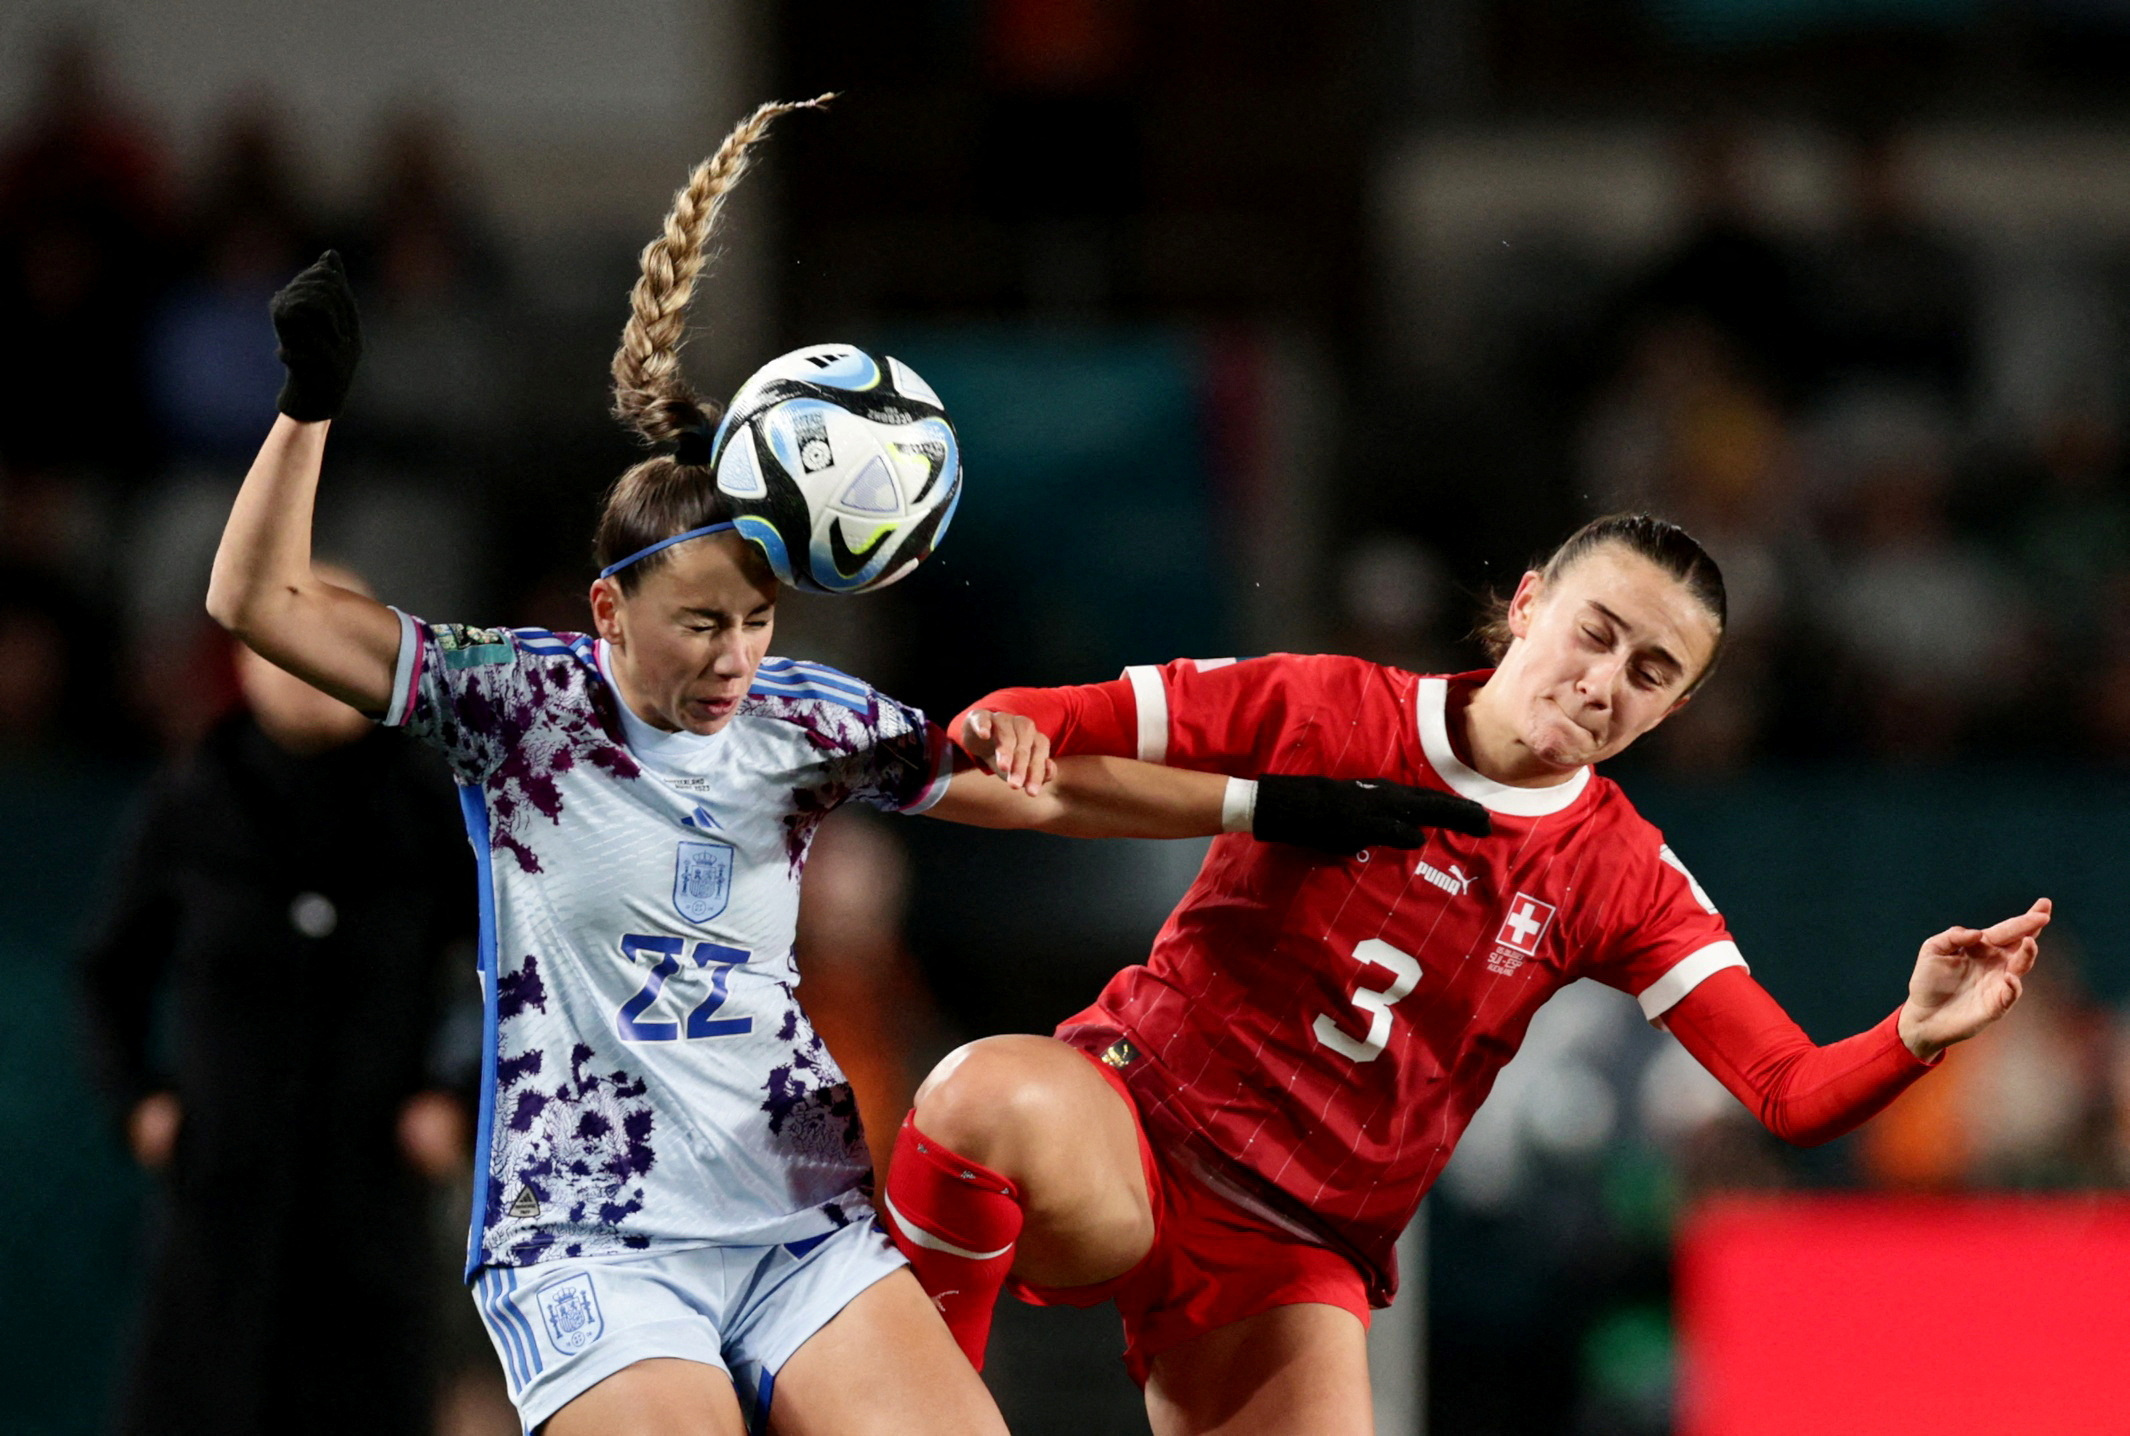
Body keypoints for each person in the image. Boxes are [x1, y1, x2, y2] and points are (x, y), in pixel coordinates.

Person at [204, 98, 1484, 1436]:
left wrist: (1269, 804)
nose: (734, 655)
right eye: (701, 621)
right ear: (607, 611)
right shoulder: (516, 703)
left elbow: (1040, 789)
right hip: (591, 1237)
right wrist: (307, 411)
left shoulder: (805, 719)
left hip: (795, 1219)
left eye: (757, 621)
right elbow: (264, 605)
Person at [881, 512, 2052, 1436]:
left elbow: (1788, 1092)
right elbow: (1023, 719)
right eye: (1596, 632)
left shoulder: (1622, 873)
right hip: (1135, 1126)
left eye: (1652, 671)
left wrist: (1912, 1031)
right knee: (982, 1094)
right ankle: (906, 1404)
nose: (1604, 683)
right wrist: (1011, 731)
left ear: (1679, 707)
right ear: (1530, 601)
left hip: (1294, 1249)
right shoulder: (1331, 704)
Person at [80, 564, 473, 1436]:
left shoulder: (424, 804)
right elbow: (110, 968)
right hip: (223, 1190)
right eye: (283, 642)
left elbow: (504, 972)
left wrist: (455, 1092)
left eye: (332, 641)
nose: (305, 664)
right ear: (247, 659)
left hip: (373, 1190)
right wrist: (137, 1100)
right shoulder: (194, 796)